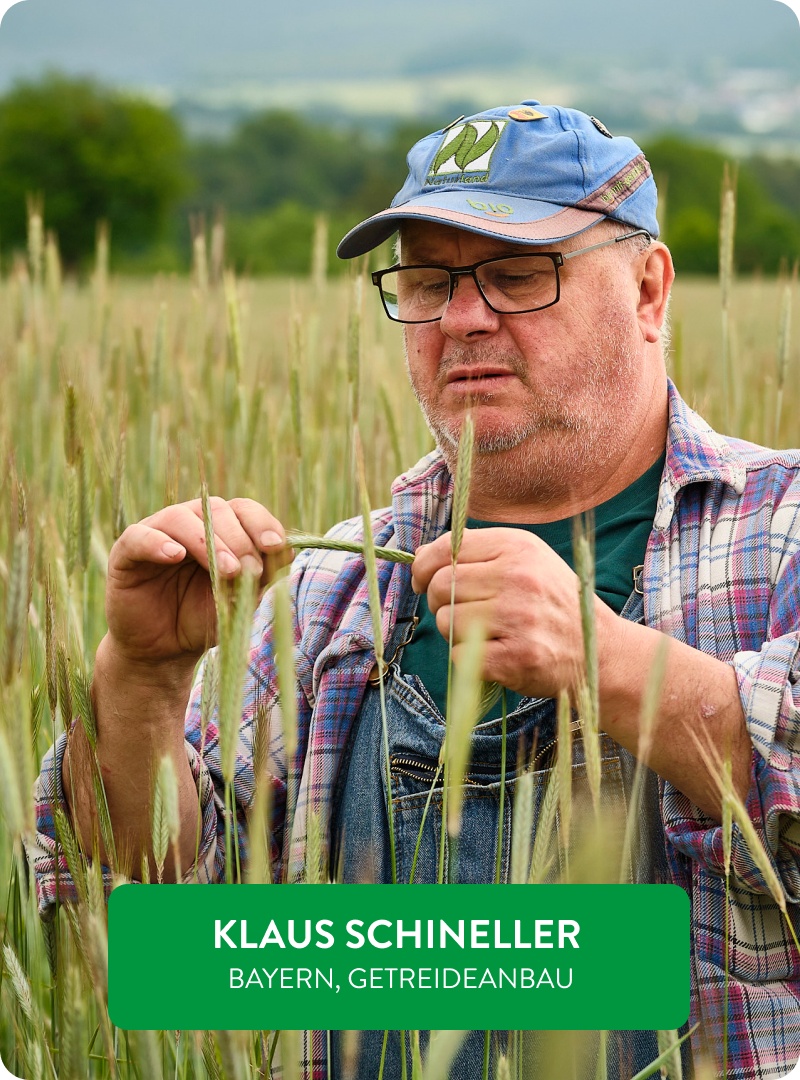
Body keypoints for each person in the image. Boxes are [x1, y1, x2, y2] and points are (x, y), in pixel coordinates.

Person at [33, 101, 800, 1079]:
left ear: (648, 292)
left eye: (516, 275)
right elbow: (150, 898)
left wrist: (606, 663)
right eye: (428, 281)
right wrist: (142, 678)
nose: (461, 317)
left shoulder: (777, 532)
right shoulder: (328, 585)